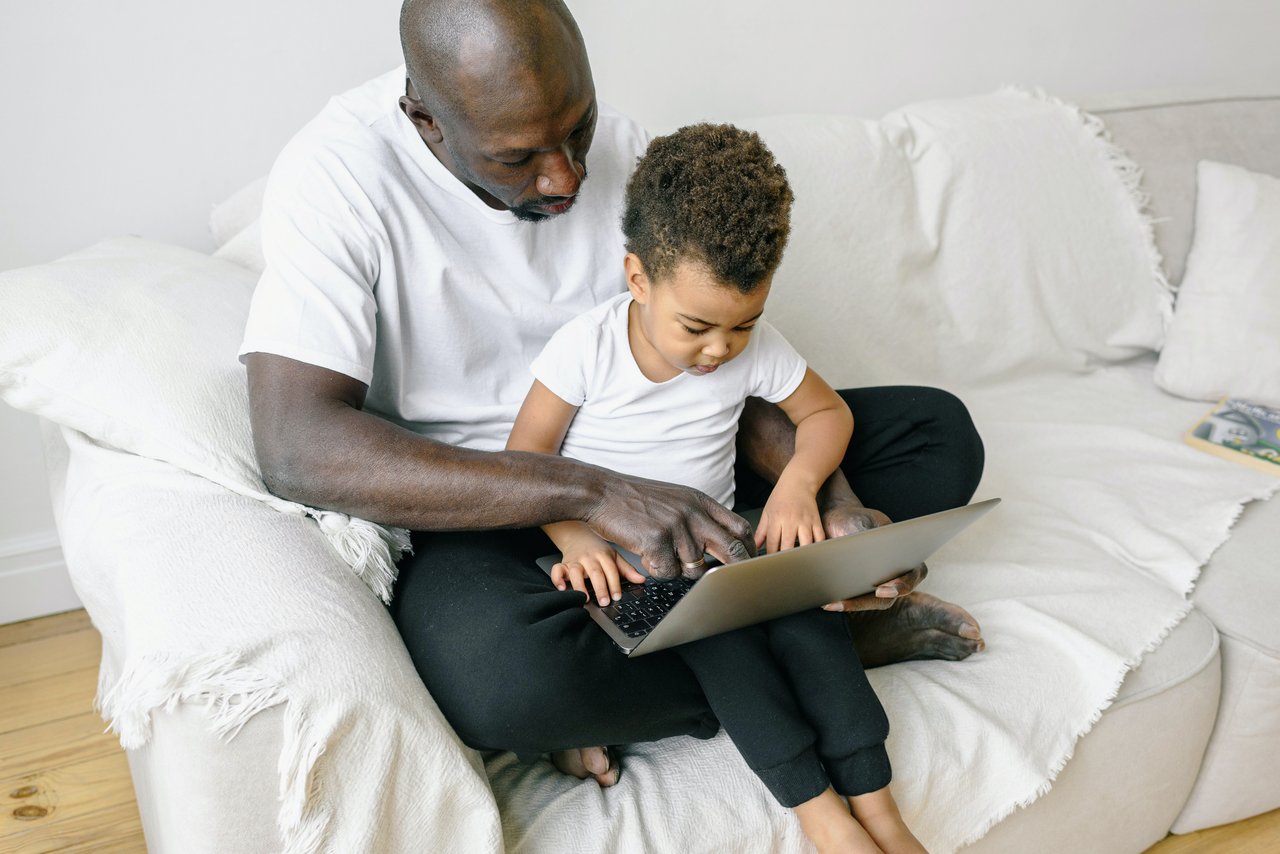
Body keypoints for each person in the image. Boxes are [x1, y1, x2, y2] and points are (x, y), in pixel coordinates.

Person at [242, 0, 984, 798]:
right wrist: (595, 493)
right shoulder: (338, 177)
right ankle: (809, 641)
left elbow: (718, 365)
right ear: (425, 119)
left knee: (937, 435)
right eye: (519, 158)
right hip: (484, 502)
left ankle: (742, 631)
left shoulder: (630, 155)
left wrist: (836, 512)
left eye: (579, 128)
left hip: (677, 457)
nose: (564, 176)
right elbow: (296, 445)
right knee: (499, 681)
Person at [506, 122, 927, 853]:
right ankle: (821, 814)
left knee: (812, 625)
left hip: (729, 543)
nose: (720, 350)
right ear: (638, 279)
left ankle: (879, 806)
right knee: (727, 649)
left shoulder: (749, 345)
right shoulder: (589, 348)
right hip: (639, 568)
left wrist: (800, 485)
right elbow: (526, 459)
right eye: (698, 326)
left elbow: (827, 412)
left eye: (742, 326)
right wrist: (575, 539)